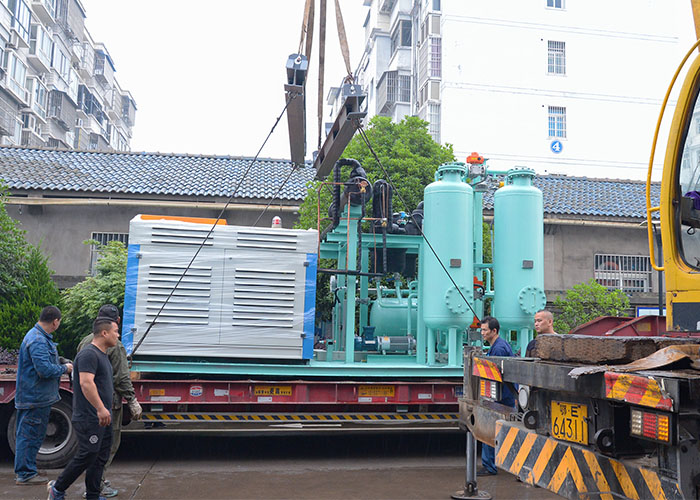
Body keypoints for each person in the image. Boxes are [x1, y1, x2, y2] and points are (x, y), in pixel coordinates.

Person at [48, 317, 119, 500]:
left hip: (103, 416)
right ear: (104, 333)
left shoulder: (102, 355)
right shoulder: (89, 354)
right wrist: (100, 408)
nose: (118, 335)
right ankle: (58, 488)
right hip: (89, 416)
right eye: (115, 331)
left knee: (100, 457)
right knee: (88, 454)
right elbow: (86, 383)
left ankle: (93, 495)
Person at [76, 305, 142, 498]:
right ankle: (96, 484)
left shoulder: (85, 342)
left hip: (88, 402)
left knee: (90, 445)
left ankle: (94, 482)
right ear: (117, 321)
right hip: (108, 403)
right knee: (107, 446)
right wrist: (132, 399)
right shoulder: (116, 346)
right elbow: (121, 377)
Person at [14, 306, 73, 486]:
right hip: (35, 398)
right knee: (29, 436)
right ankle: (25, 474)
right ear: (55, 321)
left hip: (37, 397)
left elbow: (44, 361)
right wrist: (64, 369)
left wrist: (60, 360)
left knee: (33, 435)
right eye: (59, 322)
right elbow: (44, 370)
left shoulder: (39, 337)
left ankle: (28, 469)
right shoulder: (38, 340)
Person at [477, 316, 515, 476]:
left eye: (485, 330)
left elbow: (496, 375)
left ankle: (490, 466)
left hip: (501, 396)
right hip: (503, 395)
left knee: (490, 429)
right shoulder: (498, 345)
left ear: (494, 331)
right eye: (481, 330)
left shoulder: (498, 349)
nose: (482, 333)